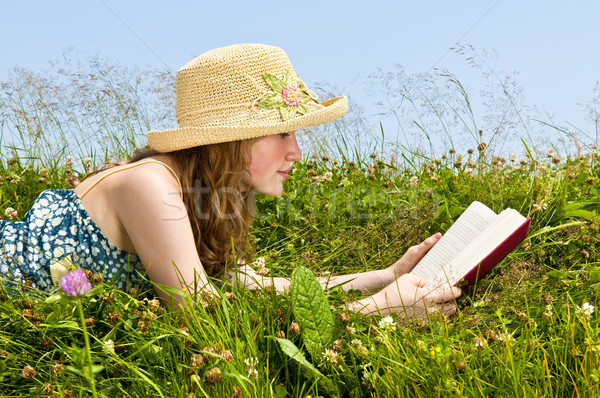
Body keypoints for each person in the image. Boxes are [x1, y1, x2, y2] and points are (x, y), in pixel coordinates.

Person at [0, 43, 461, 318]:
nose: (296, 151)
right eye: (282, 132)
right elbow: (205, 321)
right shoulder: (151, 185)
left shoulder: (205, 193)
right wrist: (376, 312)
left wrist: (385, 277)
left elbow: (248, 287)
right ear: (230, 140)